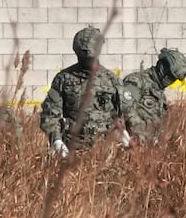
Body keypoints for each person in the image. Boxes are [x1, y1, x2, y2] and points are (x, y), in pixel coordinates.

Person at [38, 26, 123, 156]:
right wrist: (56, 140)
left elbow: (125, 113)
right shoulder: (64, 79)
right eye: (83, 58)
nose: (87, 62)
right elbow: (50, 113)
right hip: (71, 151)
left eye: (90, 58)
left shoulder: (111, 80)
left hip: (104, 152)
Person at [120, 46, 186, 143]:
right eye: (170, 76)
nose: (170, 81)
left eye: (173, 79)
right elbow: (123, 109)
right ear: (162, 67)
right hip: (133, 147)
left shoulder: (160, 95)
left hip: (150, 150)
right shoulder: (136, 81)